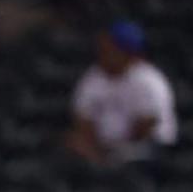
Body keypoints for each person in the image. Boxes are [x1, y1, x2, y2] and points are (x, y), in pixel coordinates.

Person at [67, 21, 176, 166]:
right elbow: (83, 118)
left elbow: (146, 126)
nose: (102, 53)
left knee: (124, 157)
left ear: (127, 52)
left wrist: (110, 150)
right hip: (105, 146)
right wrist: (93, 147)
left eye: (109, 49)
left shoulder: (148, 80)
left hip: (148, 146)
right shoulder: (93, 77)